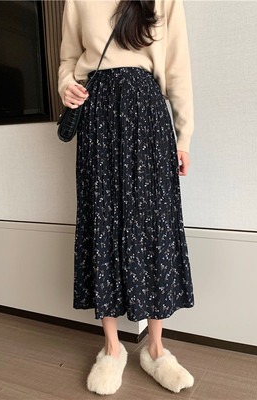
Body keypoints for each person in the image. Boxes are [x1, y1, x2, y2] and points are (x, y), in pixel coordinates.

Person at [58, 0, 195, 395]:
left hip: (148, 114)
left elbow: (177, 66)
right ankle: (112, 347)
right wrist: (67, 85)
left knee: (153, 225)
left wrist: (183, 136)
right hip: (97, 115)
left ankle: (155, 349)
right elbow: (68, 59)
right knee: (103, 220)